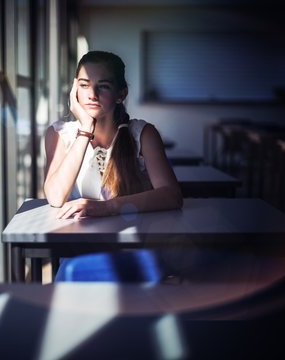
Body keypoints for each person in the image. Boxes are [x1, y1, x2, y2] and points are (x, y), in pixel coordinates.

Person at [43, 50, 184, 282]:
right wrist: (85, 129)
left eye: (104, 86)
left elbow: (171, 196)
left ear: (121, 94)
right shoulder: (59, 134)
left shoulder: (143, 134)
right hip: (81, 253)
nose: (92, 94)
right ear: (74, 89)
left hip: (134, 248)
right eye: (85, 85)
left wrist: (106, 208)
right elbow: (56, 197)